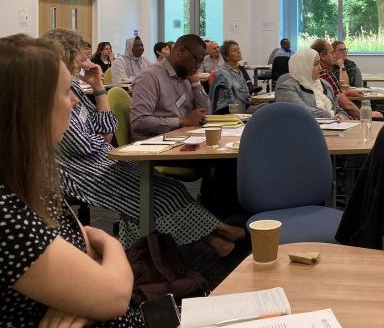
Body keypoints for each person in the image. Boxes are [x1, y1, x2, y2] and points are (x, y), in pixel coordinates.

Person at [42, 29, 242, 257]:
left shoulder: (76, 88)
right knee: (156, 196)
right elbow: (84, 146)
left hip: (103, 157)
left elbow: (107, 131)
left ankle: (212, 239)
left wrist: (98, 87)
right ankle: (215, 235)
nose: (84, 60)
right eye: (80, 55)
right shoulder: (49, 96)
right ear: (65, 57)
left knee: (168, 189)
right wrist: (100, 137)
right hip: (81, 172)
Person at [0, 34, 144, 326]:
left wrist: (94, 289)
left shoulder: (32, 176)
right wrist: (112, 245)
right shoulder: (6, 210)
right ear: (32, 108)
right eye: (66, 91)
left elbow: (87, 252)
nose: (75, 99)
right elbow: (115, 296)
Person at [130, 34, 209, 140]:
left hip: (182, 138)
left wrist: (196, 84)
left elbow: (207, 113)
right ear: (181, 52)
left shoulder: (185, 76)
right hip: (155, 146)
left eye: (201, 62)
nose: (198, 66)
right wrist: (183, 121)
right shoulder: (149, 77)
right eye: (197, 60)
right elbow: (138, 122)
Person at [310, 39, 383, 120]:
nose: (334, 55)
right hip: (335, 116)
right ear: (323, 56)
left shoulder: (348, 64)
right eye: (332, 52)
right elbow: (346, 106)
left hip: (334, 115)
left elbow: (342, 89)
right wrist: (364, 115)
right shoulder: (325, 74)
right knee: (379, 116)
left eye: (345, 49)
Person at [275, 49, 348, 121]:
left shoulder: (324, 84)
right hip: (304, 130)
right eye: (316, 64)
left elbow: (338, 109)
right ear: (303, 66)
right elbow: (302, 111)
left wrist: (342, 116)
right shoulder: (286, 88)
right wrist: (332, 116)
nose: (320, 68)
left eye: (319, 63)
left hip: (334, 128)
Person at [210, 40, 252, 114]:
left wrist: (250, 100)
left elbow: (245, 94)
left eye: (238, 49)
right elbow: (225, 103)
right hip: (231, 113)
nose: (239, 52)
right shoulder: (222, 74)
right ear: (226, 56)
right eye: (234, 50)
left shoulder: (238, 71)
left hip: (243, 107)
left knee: (266, 107)